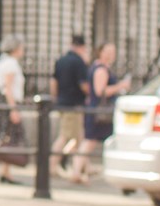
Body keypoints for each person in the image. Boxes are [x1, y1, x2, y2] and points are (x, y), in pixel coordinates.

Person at [75, 41, 129, 185]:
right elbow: (100, 91)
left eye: (113, 52)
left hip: (96, 109)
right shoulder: (101, 69)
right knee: (90, 141)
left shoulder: (101, 67)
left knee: (90, 141)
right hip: (98, 110)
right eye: (108, 51)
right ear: (100, 52)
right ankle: (77, 172)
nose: (111, 55)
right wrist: (120, 86)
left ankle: (80, 172)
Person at [0, 34, 28, 185]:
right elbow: (8, 88)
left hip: (6, 102)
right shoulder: (10, 64)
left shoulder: (4, 61)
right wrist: (13, 108)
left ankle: (5, 171)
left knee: (10, 137)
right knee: (7, 136)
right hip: (9, 102)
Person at [50, 34, 90, 180]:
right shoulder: (79, 62)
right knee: (65, 137)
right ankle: (52, 165)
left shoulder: (61, 60)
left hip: (62, 102)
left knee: (78, 137)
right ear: (82, 47)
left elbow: (53, 82)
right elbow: (84, 85)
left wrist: (56, 98)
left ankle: (82, 167)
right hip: (74, 104)